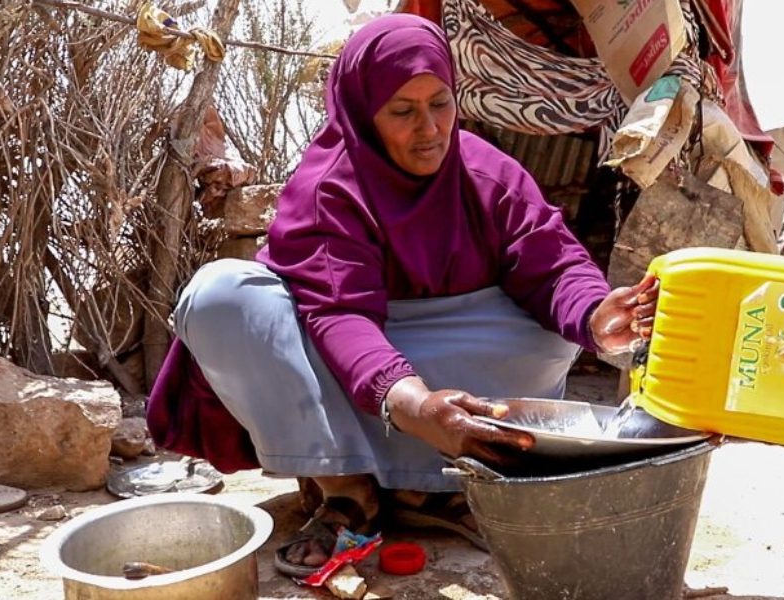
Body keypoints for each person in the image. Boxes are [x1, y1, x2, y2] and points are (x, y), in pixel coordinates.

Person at [146, 13, 659, 578]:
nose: (430, 129)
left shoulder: (487, 174)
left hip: (439, 348)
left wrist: (594, 312)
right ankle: (347, 489)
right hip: (344, 360)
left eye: (440, 103)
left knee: (543, 333)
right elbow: (340, 314)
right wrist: (410, 401)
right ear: (364, 113)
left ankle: (438, 480)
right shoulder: (330, 188)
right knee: (221, 297)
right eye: (402, 111)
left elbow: (552, 261)